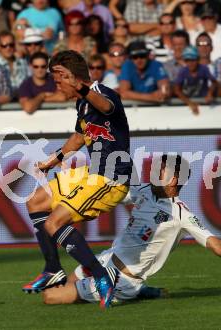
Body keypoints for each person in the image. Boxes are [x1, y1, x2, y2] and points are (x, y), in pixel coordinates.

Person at [41, 154, 221, 305]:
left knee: (50, 297)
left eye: (161, 170)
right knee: (60, 285)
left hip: (121, 279)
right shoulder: (144, 190)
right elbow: (108, 191)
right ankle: (143, 292)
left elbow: (215, 244)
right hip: (104, 261)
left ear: (174, 179)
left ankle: (134, 291)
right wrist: (70, 184)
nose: (153, 172)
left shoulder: (181, 214)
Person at [22, 50, 132, 309]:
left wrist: (80, 87)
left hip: (111, 178)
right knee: (36, 201)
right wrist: (54, 159)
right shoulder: (82, 104)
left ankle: (101, 274)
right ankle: (53, 269)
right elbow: (79, 137)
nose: (56, 85)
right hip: (94, 172)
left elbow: (106, 107)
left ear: (69, 76)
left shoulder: (102, 93)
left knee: (54, 221)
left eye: (58, 79)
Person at [174, 46, 217, 115]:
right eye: (187, 60)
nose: (190, 63)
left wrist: (210, 93)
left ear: (198, 60)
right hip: (188, 102)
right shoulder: (183, 71)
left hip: (205, 103)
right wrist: (189, 103)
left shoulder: (204, 69)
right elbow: (177, 90)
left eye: (193, 60)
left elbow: (214, 82)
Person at [0, 30, 30, 99]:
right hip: (3, 107)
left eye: (11, 45)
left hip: (23, 104)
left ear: (14, 46)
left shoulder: (23, 62)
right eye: (4, 45)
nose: (8, 48)